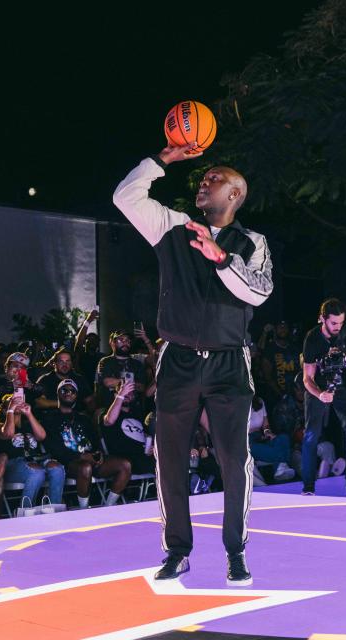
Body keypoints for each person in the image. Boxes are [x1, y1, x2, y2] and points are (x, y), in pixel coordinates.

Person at [113, 141, 273, 586]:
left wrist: (221, 259)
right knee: (169, 457)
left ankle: (236, 552)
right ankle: (177, 551)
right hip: (179, 359)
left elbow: (259, 292)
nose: (204, 183)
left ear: (235, 195)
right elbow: (125, 197)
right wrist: (162, 160)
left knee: (233, 459)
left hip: (228, 363)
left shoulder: (252, 243)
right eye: (203, 179)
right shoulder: (174, 227)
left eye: (214, 179)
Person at [300, 298, 346, 495]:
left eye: (341, 322)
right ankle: (308, 486)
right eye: (333, 323)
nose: (338, 327)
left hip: (342, 387)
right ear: (323, 319)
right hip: (318, 388)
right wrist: (320, 394)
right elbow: (307, 378)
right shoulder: (312, 338)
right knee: (311, 435)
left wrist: (344, 358)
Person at [43, 380, 131, 508]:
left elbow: (95, 441)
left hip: (91, 459)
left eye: (72, 391)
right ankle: (84, 509)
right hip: (69, 462)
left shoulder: (83, 418)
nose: (69, 393)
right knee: (85, 467)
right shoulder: (50, 418)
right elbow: (56, 449)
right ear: (58, 393)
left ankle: (108, 506)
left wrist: (98, 453)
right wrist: (82, 457)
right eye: (64, 390)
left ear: (76, 395)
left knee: (125, 465)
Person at [0, 393, 66, 509]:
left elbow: (42, 436)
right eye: (11, 401)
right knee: (36, 472)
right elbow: (8, 434)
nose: (16, 402)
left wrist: (28, 413)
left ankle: (55, 509)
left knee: (57, 468)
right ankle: (26, 511)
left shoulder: (29, 424)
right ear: (4, 410)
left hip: (37, 460)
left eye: (17, 400)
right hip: (14, 464)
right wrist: (11, 410)